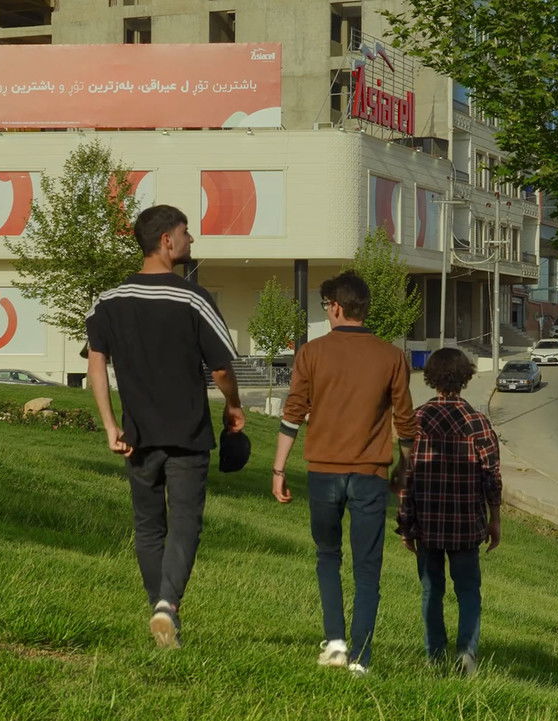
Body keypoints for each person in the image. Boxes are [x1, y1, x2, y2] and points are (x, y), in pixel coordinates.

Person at [86, 204, 245, 649]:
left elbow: (97, 365)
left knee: (148, 526)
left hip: (137, 433)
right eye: (186, 233)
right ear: (166, 241)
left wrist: (109, 424)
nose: (191, 241)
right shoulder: (193, 297)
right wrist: (234, 405)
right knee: (186, 524)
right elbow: (220, 369)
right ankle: (167, 606)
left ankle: (160, 607)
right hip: (188, 432)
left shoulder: (108, 301)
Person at [270, 270, 417, 677]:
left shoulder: (311, 353)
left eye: (326, 306)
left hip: (322, 472)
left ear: (335, 307)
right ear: (363, 307)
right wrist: (406, 471)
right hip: (370, 474)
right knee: (367, 568)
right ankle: (362, 658)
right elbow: (406, 424)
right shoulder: (392, 357)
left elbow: (293, 415)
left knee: (327, 556)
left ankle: (335, 641)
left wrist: (279, 468)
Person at [395, 347, 502, 676]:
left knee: (431, 590)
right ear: (466, 378)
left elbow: (406, 476)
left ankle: (434, 655)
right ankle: (467, 653)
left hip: (427, 524)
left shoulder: (417, 421)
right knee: (469, 591)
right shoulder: (477, 422)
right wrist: (494, 519)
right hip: (466, 524)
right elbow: (491, 476)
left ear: (431, 378)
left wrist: (406, 524)